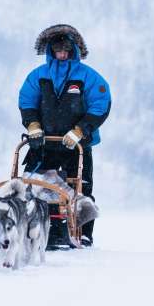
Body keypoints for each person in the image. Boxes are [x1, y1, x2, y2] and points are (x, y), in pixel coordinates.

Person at [18, 24, 111, 246]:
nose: (62, 54)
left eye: (66, 50)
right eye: (57, 50)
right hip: (44, 142)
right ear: (50, 50)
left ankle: (83, 232)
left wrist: (80, 130)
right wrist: (32, 126)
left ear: (74, 50)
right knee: (37, 186)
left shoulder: (88, 77)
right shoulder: (38, 76)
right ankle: (45, 230)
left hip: (76, 144)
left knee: (81, 186)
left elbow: (100, 104)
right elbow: (27, 100)